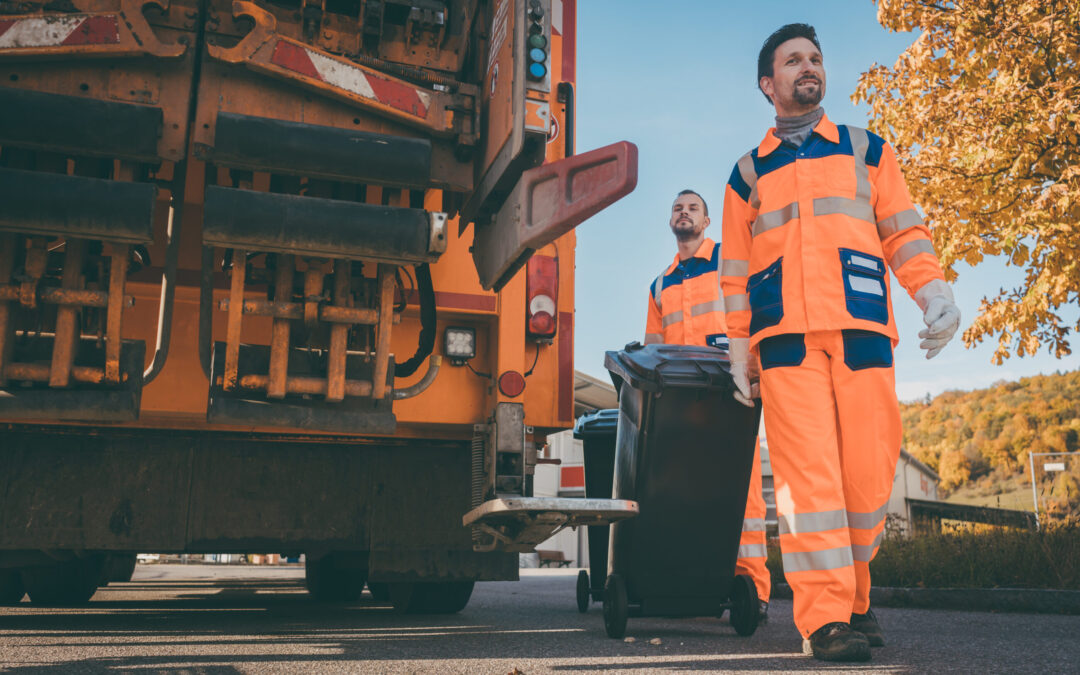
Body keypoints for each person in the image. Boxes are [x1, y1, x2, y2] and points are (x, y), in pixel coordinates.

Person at [719, 24, 960, 662]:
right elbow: (734, 273)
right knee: (808, 483)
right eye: (793, 60)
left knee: (868, 475)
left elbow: (903, 231)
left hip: (861, 331)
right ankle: (825, 619)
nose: (809, 67)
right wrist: (739, 350)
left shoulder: (867, 150)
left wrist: (933, 290)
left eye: (816, 58)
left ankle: (854, 597)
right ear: (767, 84)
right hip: (786, 343)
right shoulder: (746, 174)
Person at [645, 189, 771, 624]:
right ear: (670, 220)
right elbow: (652, 347)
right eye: (677, 208)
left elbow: (755, 313)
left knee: (743, 493)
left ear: (707, 221)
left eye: (692, 208)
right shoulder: (659, 285)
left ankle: (752, 587)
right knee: (685, 491)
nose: (684, 213)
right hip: (680, 400)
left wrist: (756, 370)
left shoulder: (729, 263)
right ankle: (693, 584)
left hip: (730, 388)